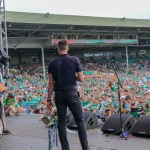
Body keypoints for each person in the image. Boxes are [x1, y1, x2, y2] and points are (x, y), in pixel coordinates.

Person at [47, 40, 90, 150]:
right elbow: (81, 78)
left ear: (58, 49)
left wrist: (48, 100)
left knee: (61, 123)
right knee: (80, 121)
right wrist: (72, 76)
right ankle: (85, 148)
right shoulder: (74, 60)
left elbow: (51, 83)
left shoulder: (52, 63)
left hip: (59, 95)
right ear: (68, 48)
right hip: (71, 93)